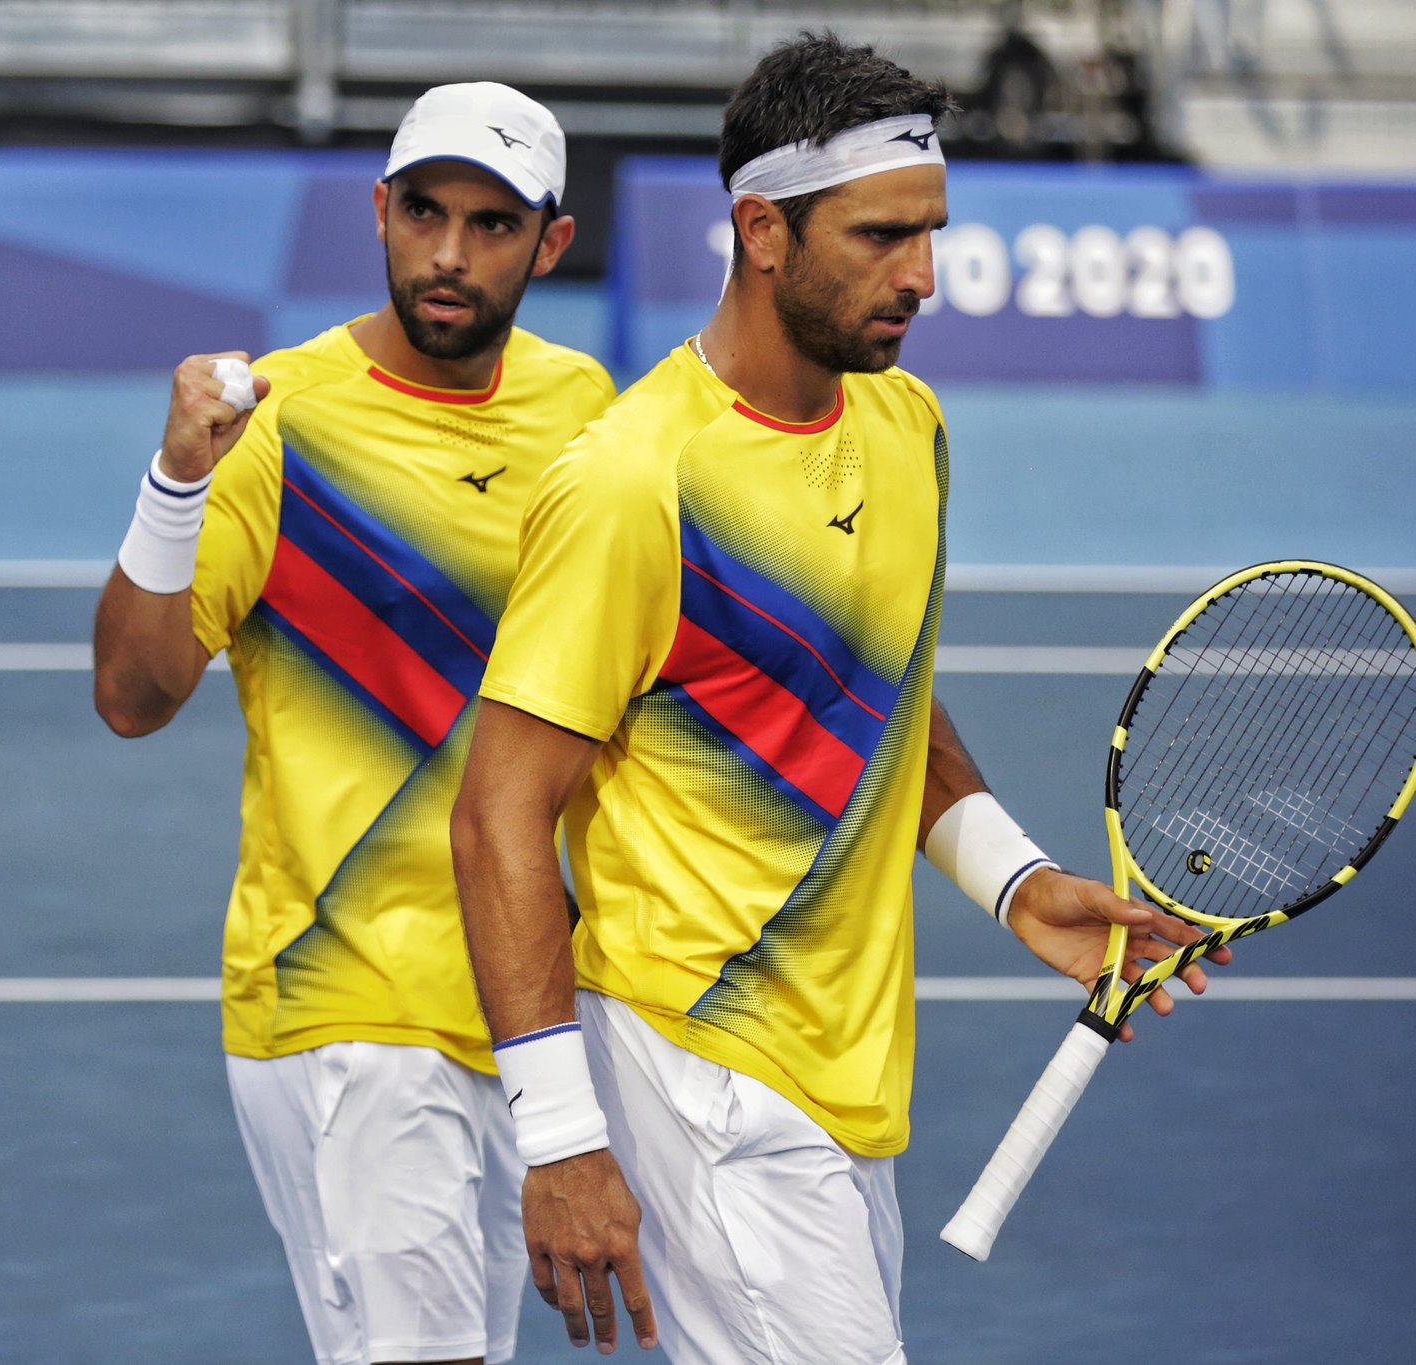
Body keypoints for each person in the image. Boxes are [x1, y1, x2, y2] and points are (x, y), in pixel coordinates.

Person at [449, 33, 1225, 1364]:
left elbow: (875, 700)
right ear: (761, 231)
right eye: (878, 237)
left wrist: (1016, 880)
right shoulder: (634, 482)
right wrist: (560, 1138)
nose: (920, 276)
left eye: (928, 234)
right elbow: (496, 814)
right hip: (705, 1072)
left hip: (844, 1081)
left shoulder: (903, 428)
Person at [92, 82, 614, 1365]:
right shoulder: (283, 422)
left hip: (528, 1008)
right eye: (424, 214)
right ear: (378, 213)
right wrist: (176, 484)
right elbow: (132, 695)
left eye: (493, 225)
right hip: (346, 1006)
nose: (448, 253)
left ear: (551, 243)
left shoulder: (584, 408)